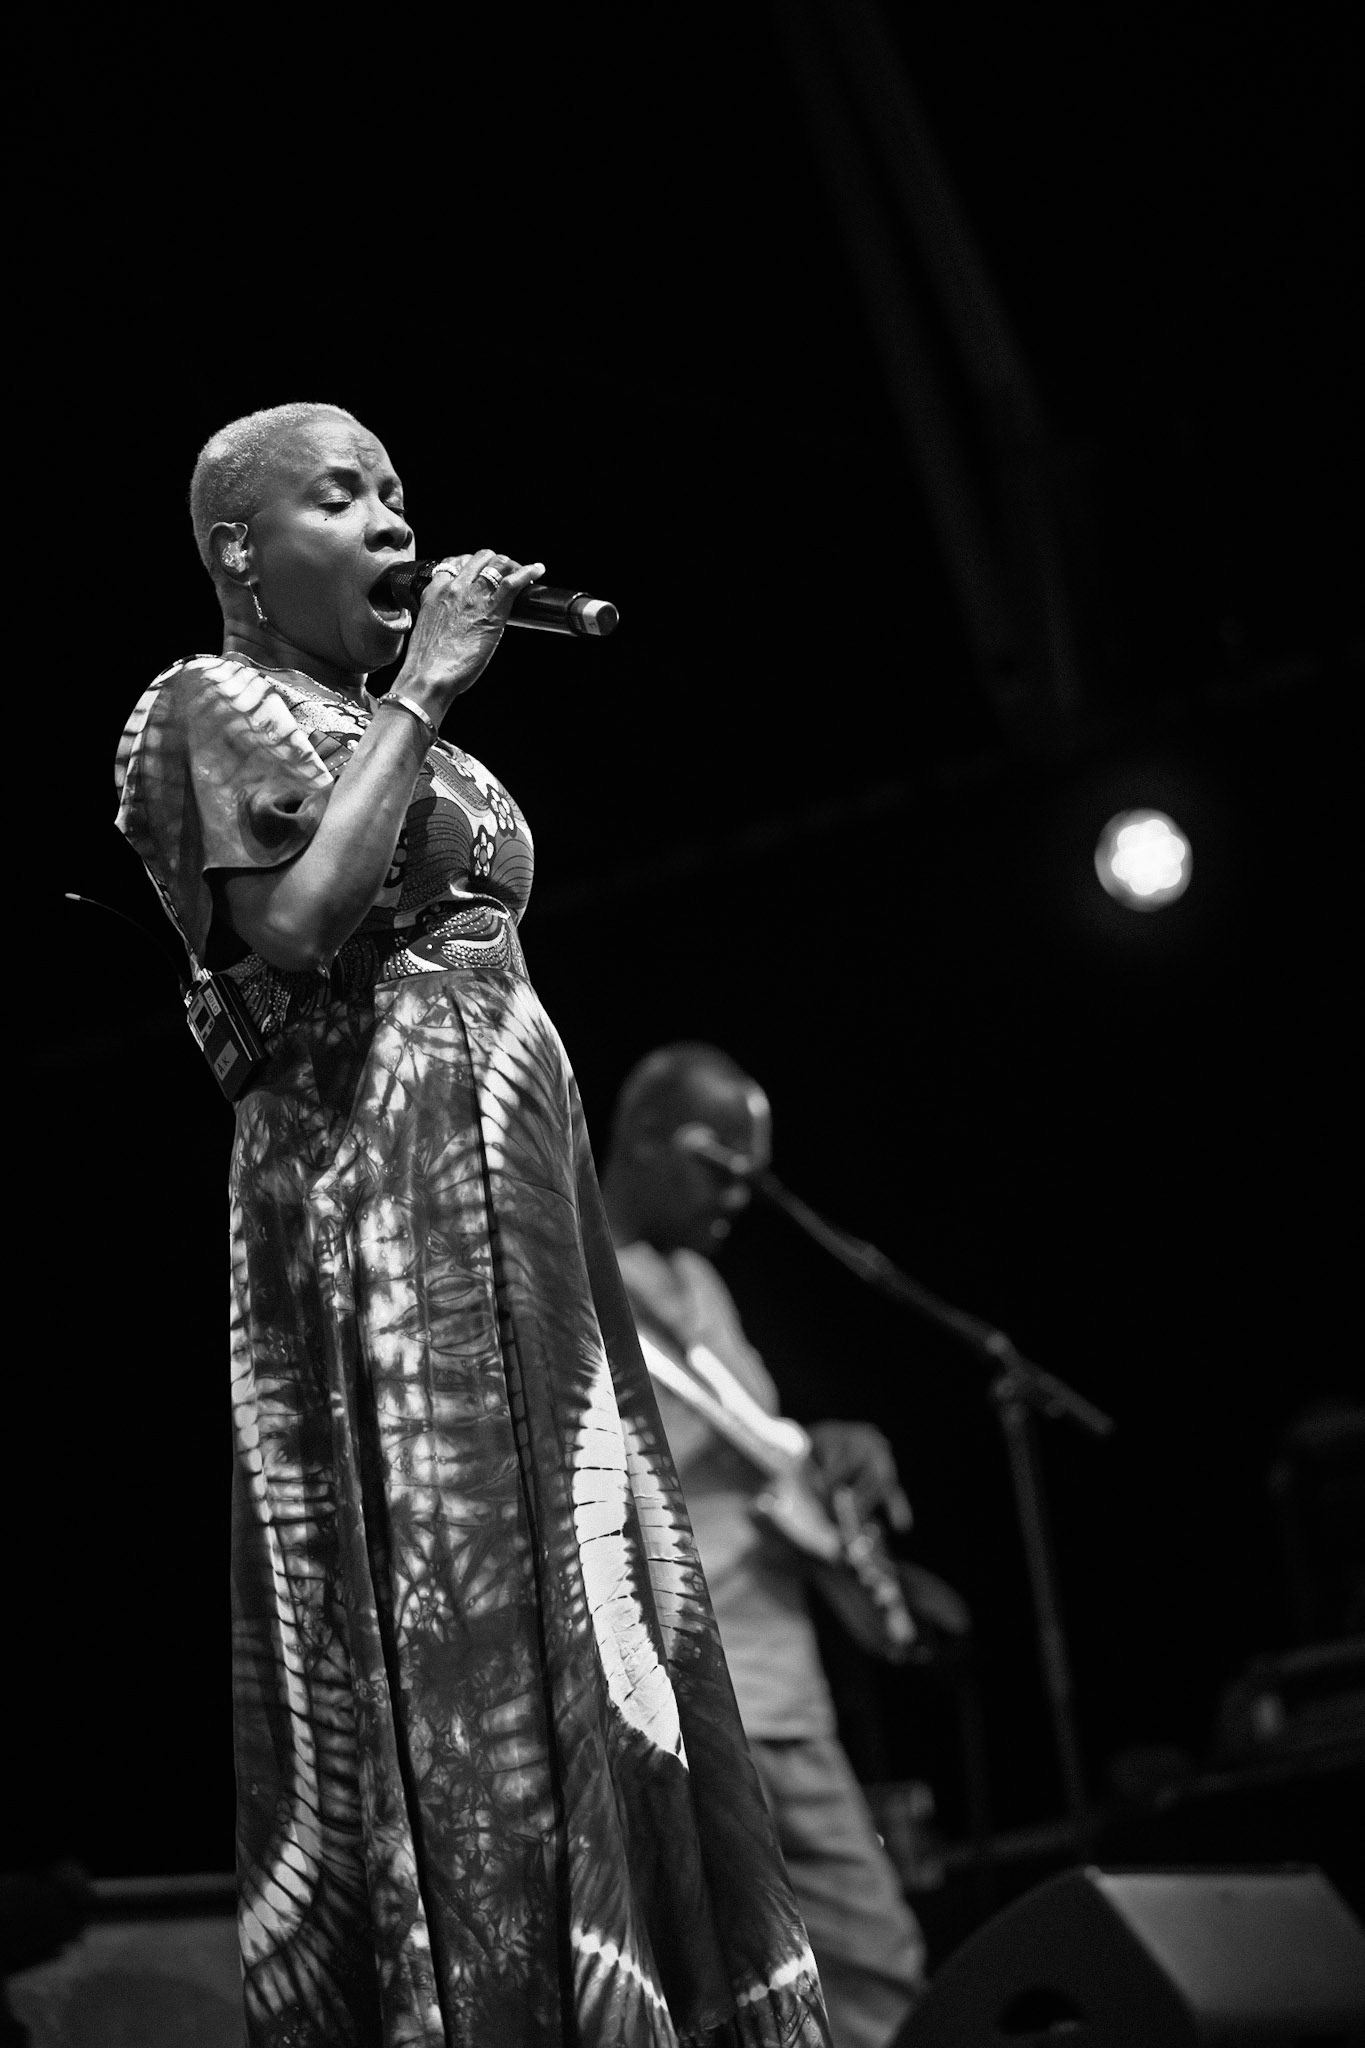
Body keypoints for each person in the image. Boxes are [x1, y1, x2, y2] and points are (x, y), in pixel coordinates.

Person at [113, 403, 830, 2048]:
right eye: (341, 495)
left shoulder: (382, 729)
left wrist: (413, 707)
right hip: (383, 1208)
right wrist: (428, 687)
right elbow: (294, 926)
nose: (389, 522)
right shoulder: (201, 707)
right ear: (239, 549)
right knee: (465, 1609)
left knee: (594, 1605)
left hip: (525, 1217)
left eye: (398, 495)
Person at [602, 1044, 939, 2048]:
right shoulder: (573, 1280)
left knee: (884, 1977)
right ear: (646, 1135)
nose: (740, 1195)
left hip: (793, 1698)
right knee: (724, 2001)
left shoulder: (701, 1284)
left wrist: (828, 1451)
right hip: (689, 1698)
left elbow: (760, 1448)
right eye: (721, 1166)